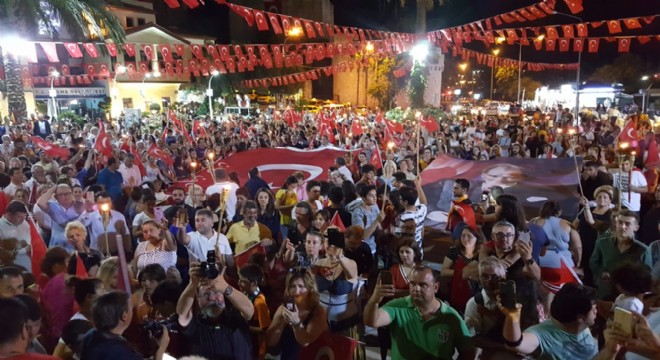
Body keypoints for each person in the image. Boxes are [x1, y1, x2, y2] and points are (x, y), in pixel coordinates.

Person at [364, 265, 475, 359]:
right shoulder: (398, 306)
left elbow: (468, 352)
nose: (416, 289)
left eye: (423, 285)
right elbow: (372, 321)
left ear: (435, 287)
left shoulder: (451, 316)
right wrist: (374, 300)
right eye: (413, 284)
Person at [499, 283, 598, 360]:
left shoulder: (581, 326)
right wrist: (512, 318)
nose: (596, 311)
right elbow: (516, 344)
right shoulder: (541, 334)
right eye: (593, 309)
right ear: (580, 317)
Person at [176, 262, 254, 359]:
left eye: (217, 293)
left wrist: (224, 286)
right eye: (206, 295)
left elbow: (249, 311)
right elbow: (182, 314)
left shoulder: (235, 317)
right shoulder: (195, 325)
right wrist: (193, 283)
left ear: (224, 296)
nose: (212, 298)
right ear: (198, 299)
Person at [81, 291, 169, 360]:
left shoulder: (91, 334)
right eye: (131, 308)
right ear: (124, 316)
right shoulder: (122, 352)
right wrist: (160, 350)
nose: (133, 310)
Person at [265, 267, 328, 360]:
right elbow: (269, 342)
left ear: (310, 288)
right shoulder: (283, 308)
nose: (296, 291)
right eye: (292, 286)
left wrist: (296, 323)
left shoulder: (318, 311)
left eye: (301, 286)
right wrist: (281, 323)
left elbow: (305, 342)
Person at [590, 210, 651, 300]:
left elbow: (648, 273)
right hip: (606, 292)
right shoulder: (602, 243)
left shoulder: (643, 250)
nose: (622, 227)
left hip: (630, 296)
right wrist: (602, 272)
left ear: (636, 227)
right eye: (620, 222)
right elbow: (593, 262)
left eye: (627, 224)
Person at [464, 257, 509, 359]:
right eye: (484, 276)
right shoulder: (475, 303)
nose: (489, 280)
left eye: (494, 276)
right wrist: (504, 347)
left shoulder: (513, 299)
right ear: (479, 277)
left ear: (504, 276)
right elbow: (473, 337)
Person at [575, 185, 614, 286]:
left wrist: (586, 208)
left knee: (595, 272)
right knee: (586, 271)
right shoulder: (589, 208)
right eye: (599, 196)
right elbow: (575, 224)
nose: (601, 199)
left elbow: (592, 222)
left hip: (598, 247)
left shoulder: (611, 214)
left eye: (605, 197)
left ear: (610, 200)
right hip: (583, 244)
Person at [440, 226, 482, 313]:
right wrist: (462, 272)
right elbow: (443, 271)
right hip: (456, 288)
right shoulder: (454, 250)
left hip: (475, 291)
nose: (465, 238)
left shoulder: (482, 254)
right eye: (463, 235)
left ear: (477, 238)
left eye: (469, 236)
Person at [36, 184, 84, 251]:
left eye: (68, 193)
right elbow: (40, 203)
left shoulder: (79, 205)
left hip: (76, 247)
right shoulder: (53, 205)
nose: (66, 196)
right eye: (61, 194)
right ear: (56, 197)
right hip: (58, 247)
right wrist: (54, 187)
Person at [238, 263, 271, 360]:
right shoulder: (246, 293)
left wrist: (245, 327)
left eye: (243, 281)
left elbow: (265, 329)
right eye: (239, 279)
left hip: (255, 347)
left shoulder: (259, 302)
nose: (239, 283)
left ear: (254, 283)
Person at [346, 184, 384, 254]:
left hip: (373, 247)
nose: (375, 198)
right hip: (363, 250)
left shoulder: (374, 206)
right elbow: (362, 236)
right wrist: (376, 221)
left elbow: (379, 227)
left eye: (375, 195)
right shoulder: (358, 213)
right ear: (363, 198)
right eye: (371, 196)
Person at [393, 181, 428, 253]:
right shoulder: (422, 210)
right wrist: (418, 185)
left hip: (407, 251)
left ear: (405, 202)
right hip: (418, 247)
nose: (399, 200)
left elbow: (398, 235)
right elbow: (424, 203)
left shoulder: (403, 217)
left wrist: (391, 230)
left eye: (400, 199)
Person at [0, 201, 32, 271]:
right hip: (9, 267)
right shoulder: (1, 227)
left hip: (26, 263)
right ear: (9, 214)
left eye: (24, 216)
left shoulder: (24, 223)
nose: (23, 219)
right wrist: (24, 250)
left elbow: (30, 240)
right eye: (19, 216)